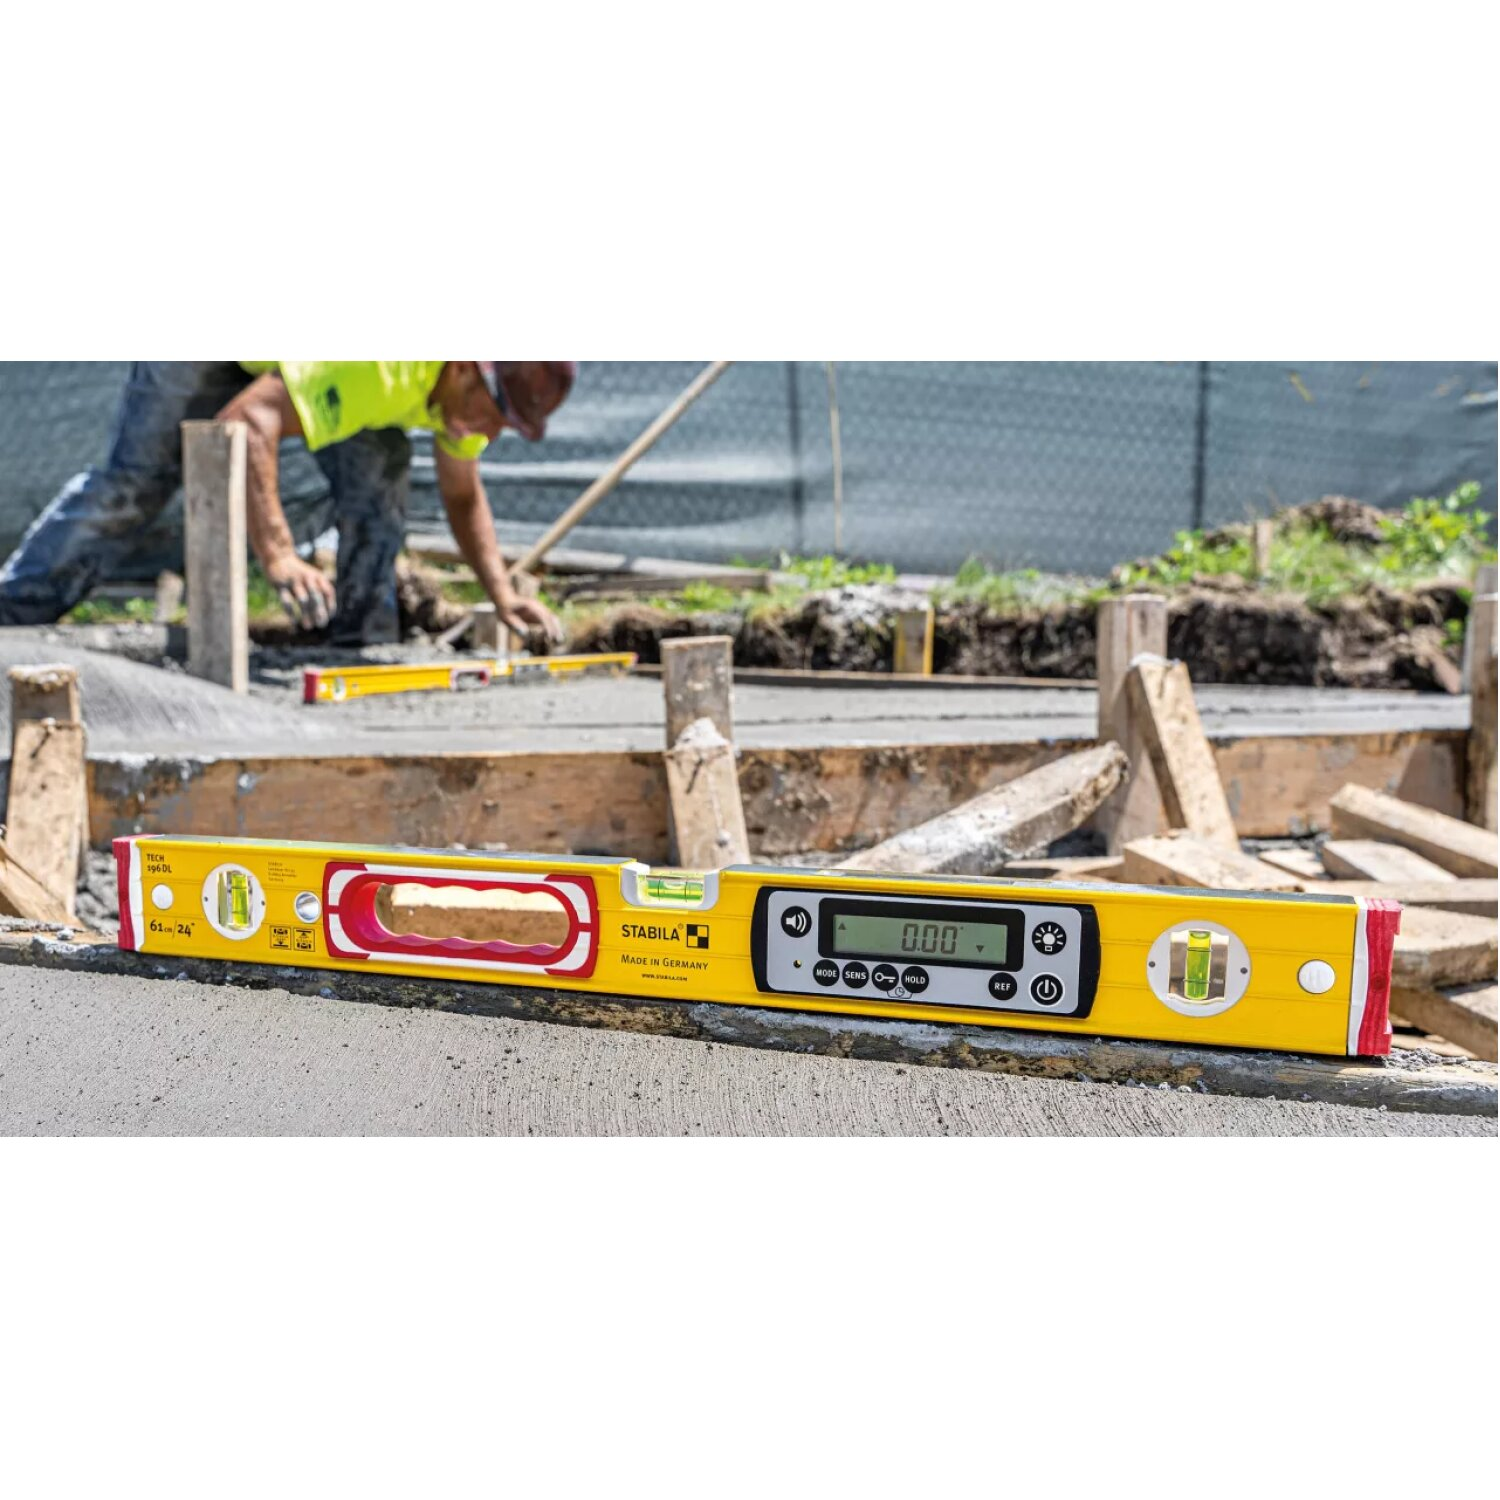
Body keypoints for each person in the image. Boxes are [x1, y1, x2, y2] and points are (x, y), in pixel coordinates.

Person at [0, 361, 573, 645]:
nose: (489, 433)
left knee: (381, 464)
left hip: (300, 372)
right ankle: (12, 622)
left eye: (507, 427)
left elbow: (462, 493)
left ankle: (357, 640)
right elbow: (247, 420)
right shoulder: (380, 363)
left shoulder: (464, 403)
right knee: (135, 486)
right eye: (495, 416)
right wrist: (278, 554)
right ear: (467, 369)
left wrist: (501, 594)